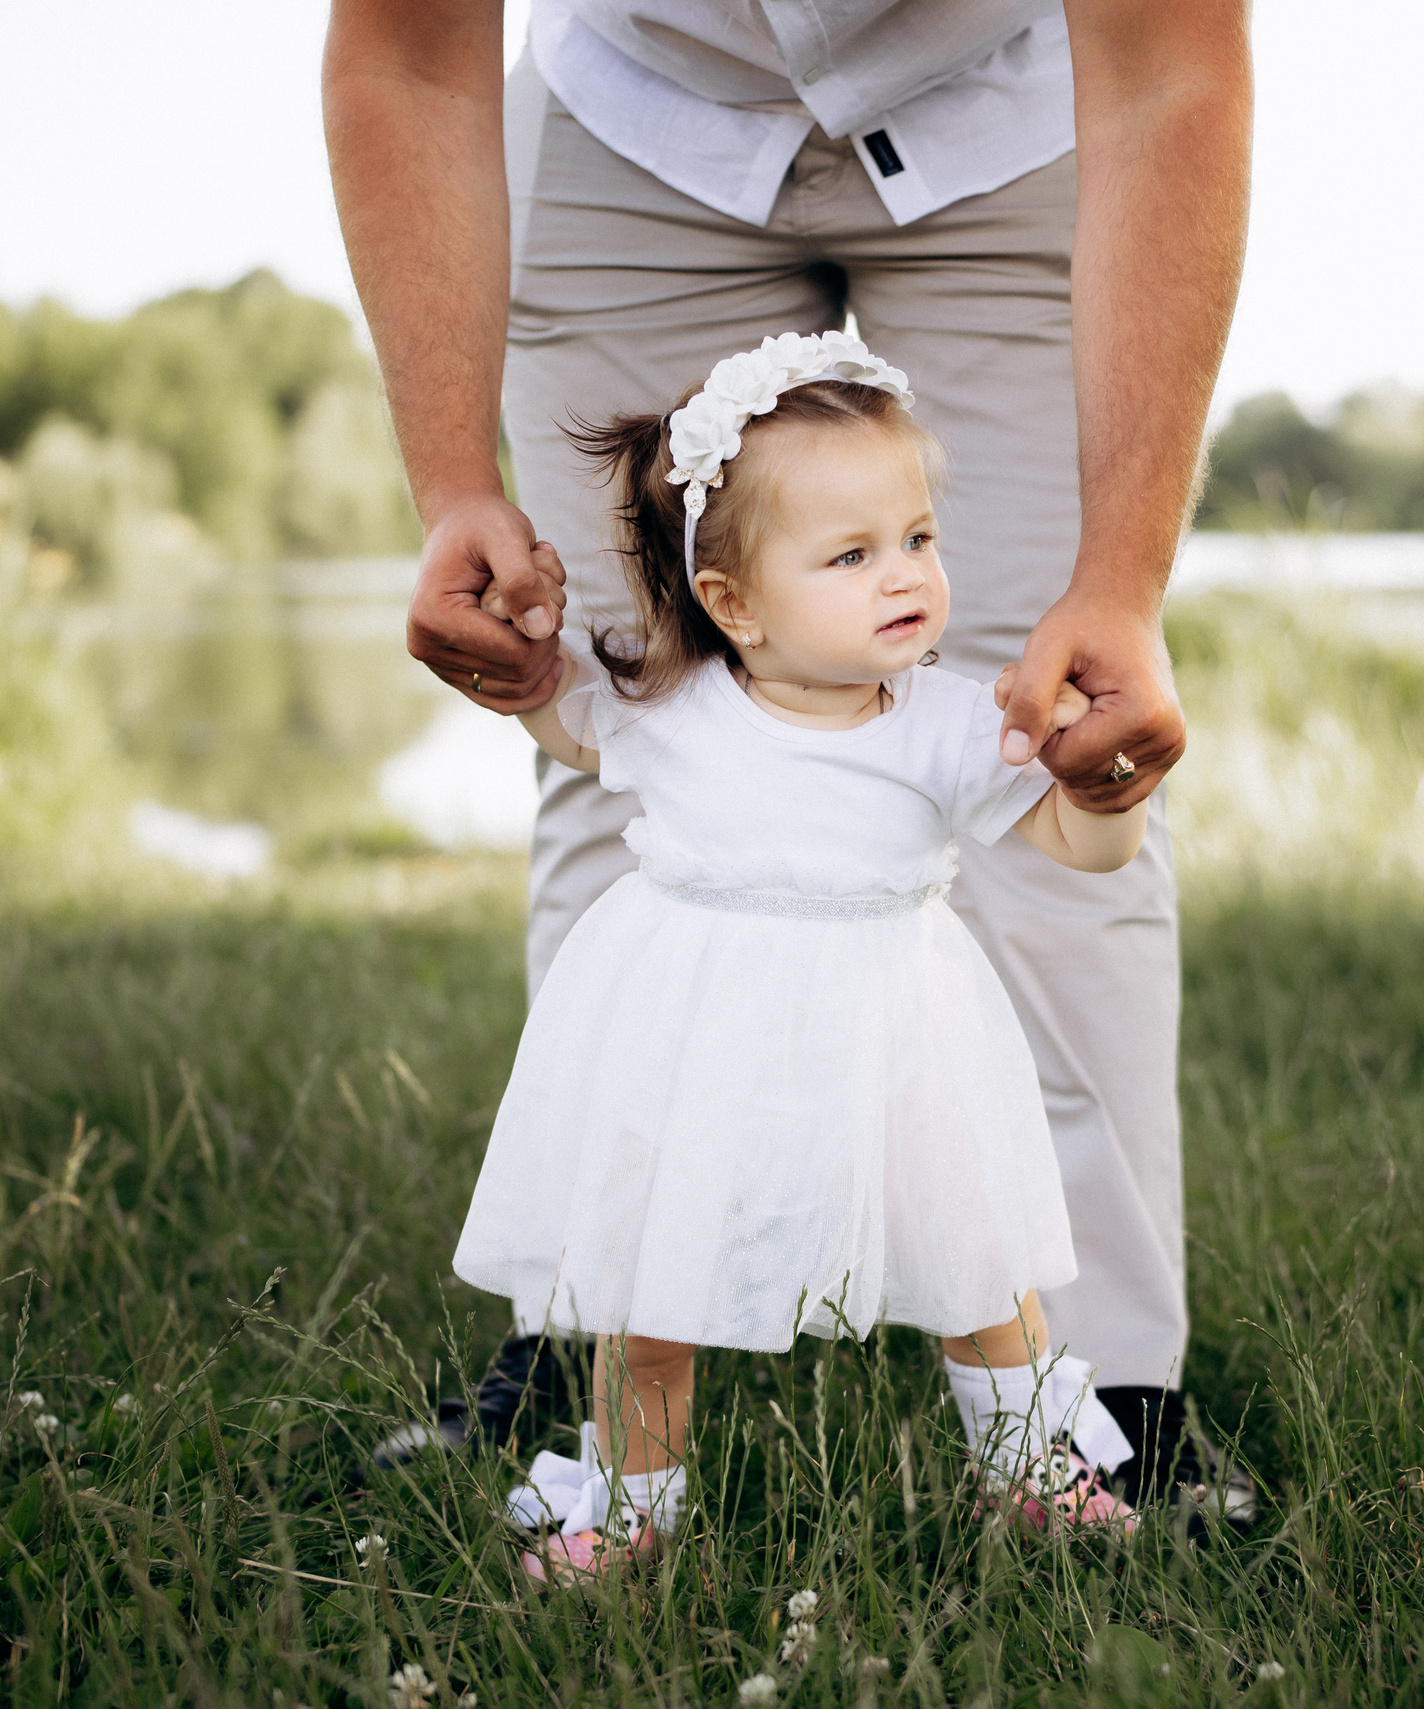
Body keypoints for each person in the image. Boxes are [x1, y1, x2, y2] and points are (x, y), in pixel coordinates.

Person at [323, 0, 1255, 1523]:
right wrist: (453, 490)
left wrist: (1122, 592)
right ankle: (595, 1340)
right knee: (634, 749)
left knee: (1047, 689)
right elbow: (408, 51)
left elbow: (1171, 67)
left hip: (1014, 114)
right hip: (641, 114)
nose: (909, 567)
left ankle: (1103, 1399)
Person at [458, 336, 1148, 1579]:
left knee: (979, 1272)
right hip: (693, 1039)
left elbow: (1074, 842)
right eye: (851, 554)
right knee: (652, 1293)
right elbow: (555, 715)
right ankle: (626, 1505)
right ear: (733, 602)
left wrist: (1109, 789)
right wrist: (514, 655)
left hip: (896, 1039)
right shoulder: (668, 707)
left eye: (919, 539)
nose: (906, 577)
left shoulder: (949, 722)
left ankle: (1033, 1472)